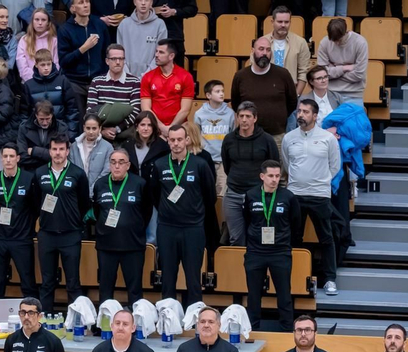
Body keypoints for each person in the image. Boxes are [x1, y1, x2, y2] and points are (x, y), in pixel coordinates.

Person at [149, 123, 213, 306]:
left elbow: (209, 196)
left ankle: (194, 320)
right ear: (168, 141)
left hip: (193, 228)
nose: (176, 143)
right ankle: (168, 319)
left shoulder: (200, 164)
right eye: (172, 140)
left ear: (187, 140)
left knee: (193, 278)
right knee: (168, 277)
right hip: (167, 228)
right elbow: (154, 194)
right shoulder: (160, 165)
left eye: (179, 139)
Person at [281, 98, 341, 294]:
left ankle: (330, 279)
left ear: (315, 116)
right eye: (299, 111)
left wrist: (321, 182)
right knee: (293, 237)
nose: (301, 115)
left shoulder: (328, 138)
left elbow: (335, 166)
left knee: (326, 238)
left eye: (306, 112)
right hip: (295, 194)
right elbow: (286, 163)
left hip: (319, 195)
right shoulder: (289, 138)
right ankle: (294, 276)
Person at [34, 134, 90, 315]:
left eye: (61, 149)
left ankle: (75, 321)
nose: (58, 153)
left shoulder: (77, 174)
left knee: (73, 282)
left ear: (67, 151)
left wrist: (73, 220)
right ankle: (45, 321)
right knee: (47, 282)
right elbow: (35, 202)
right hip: (47, 234)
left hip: (70, 234)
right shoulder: (40, 172)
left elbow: (84, 203)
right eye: (54, 149)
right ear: (49, 151)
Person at [243, 160, 299, 328]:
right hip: (255, 252)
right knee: (253, 294)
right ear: (262, 176)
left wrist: (286, 243)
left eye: (277, 176)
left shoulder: (288, 197)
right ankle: (252, 328)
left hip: (280, 252)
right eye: (270, 176)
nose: (274, 179)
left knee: (284, 294)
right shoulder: (251, 195)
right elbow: (247, 219)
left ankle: (288, 329)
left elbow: (296, 224)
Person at [93, 148, 149, 304]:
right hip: (106, 246)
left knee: (135, 289)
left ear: (128, 165)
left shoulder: (140, 184)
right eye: (113, 162)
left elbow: (146, 212)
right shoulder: (100, 184)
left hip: (132, 245)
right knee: (105, 288)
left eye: (121, 162)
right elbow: (97, 212)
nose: (117, 166)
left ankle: (136, 324)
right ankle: (104, 324)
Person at [221, 102, 279, 246]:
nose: (244, 120)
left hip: (258, 195)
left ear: (255, 118)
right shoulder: (229, 139)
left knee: (259, 237)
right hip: (233, 194)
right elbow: (227, 165)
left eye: (248, 116)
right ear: (237, 117)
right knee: (236, 238)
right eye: (241, 116)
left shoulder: (267, 140)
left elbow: (273, 166)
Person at [0, 145, 39, 300]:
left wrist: (26, 225)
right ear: (1, 158)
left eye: (11, 156)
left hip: (21, 238)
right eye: (5, 156)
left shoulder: (29, 178)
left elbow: (35, 207)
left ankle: (33, 313)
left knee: (28, 281)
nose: (8, 160)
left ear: (18, 158)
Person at [231, 36, 298, 146]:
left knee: (277, 163)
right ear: (253, 51)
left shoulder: (283, 74)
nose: (265, 53)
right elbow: (236, 104)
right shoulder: (241, 76)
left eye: (268, 50)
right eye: (261, 49)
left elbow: (292, 102)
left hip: (277, 137)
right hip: (249, 136)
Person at [139, 39, 193, 135]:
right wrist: (162, 127)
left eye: (161, 52)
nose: (156, 55)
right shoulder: (147, 77)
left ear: (171, 56)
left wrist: (171, 129)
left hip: (178, 128)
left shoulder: (186, 76)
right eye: (156, 51)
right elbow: (145, 107)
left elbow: (185, 109)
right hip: (154, 128)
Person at [86, 45, 138, 140]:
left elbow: (136, 111)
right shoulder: (96, 82)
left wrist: (117, 129)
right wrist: (102, 130)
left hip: (126, 134)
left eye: (121, 59)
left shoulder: (134, 82)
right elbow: (91, 110)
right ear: (107, 61)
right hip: (99, 134)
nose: (118, 62)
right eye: (114, 59)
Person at [58, 0, 108, 92]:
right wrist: (83, 48)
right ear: (73, 8)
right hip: (74, 82)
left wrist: (104, 76)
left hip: (97, 81)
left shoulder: (99, 25)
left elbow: (106, 53)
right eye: (81, 2)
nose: (85, 5)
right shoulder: (65, 30)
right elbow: (64, 61)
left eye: (87, 2)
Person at [317, 18, 367, 102]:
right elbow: (321, 74)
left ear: (346, 32)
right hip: (329, 93)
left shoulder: (360, 42)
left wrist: (333, 69)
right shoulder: (324, 43)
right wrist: (344, 68)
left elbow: (359, 75)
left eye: (339, 40)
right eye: (333, 40)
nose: (336, 43)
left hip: (354, 94)